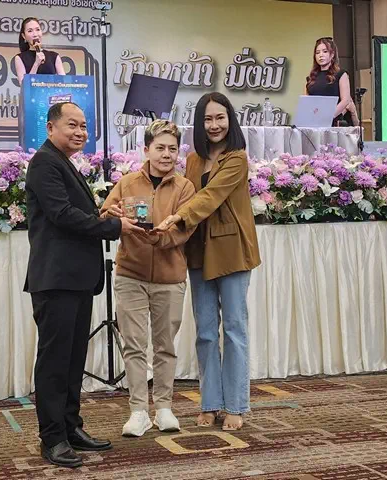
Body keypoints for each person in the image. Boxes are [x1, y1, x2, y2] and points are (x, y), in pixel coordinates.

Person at [24, 102, 144, 468]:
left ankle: (70, 426)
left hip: (75, 278)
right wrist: (112, 226)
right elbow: (61, 215)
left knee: (74, 359)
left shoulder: (64, 162)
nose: (80, 132)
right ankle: (52, 438)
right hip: (57, 279)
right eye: (72, 125)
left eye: (84, 126)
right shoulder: (44, 163)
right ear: (50, 128)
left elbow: (73, 214)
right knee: (55, 361)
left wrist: (102, 214)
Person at [156, 92, 261, 432]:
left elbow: (211, 196)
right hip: (198, 250)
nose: (214, 125)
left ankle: (236, 405)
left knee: (233, 329)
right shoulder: (192, 159)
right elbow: (182, 193)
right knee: (204, 331)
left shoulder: (237, 158)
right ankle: (210, 402)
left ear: (230, 120)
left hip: (232, 251)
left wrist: (178, 217)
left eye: (220, 118)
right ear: (199, 123)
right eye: (207, 119)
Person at [100, 120, 197, 437]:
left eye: (172, 149)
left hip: (170, 278)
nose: (166, 154)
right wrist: (114, 217)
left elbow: (186, 228)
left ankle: (164, 407)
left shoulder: (185, 187)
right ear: (146, 150)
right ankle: (138, 411)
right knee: (134, 346)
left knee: (165, 346)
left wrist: (158, 237)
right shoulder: (127, 183)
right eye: (160, 148)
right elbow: (104, 214)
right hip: (130, 275)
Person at [305, 37, 357, 126]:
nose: (321, 55)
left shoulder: (341, 74)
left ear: (332, 54)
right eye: (317, 52)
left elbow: (345, 100)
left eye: (325, 51)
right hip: (314, 122)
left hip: (335, 122)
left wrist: (329, 116)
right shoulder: (311, 78)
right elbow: (306, 102)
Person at [14, 17, 65, 85]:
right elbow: (24, 86)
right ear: (24, 36)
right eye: (30, 31)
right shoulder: (20, 58)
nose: (35, 34)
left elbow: (64, 83)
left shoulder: (54, 56)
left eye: (38, 30)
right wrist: (36, 63)